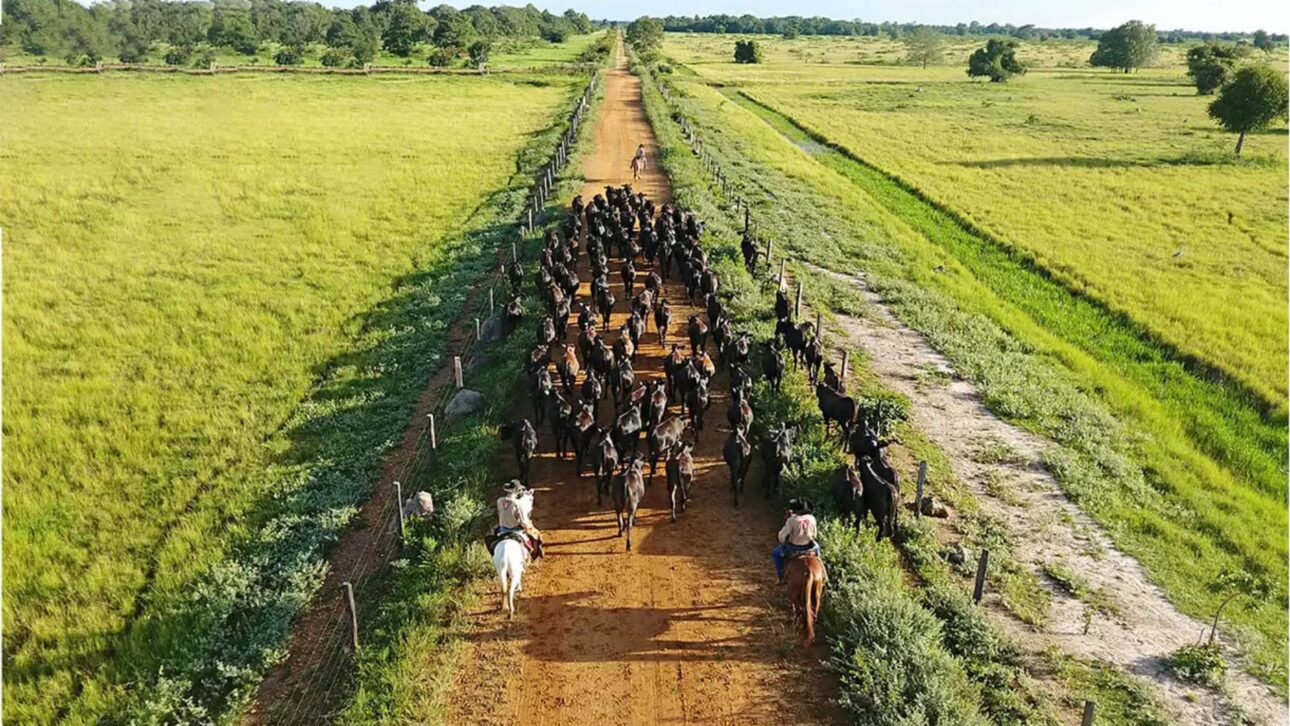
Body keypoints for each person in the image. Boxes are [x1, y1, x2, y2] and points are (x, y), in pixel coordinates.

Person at [772, 498, 820, 584]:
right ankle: (824, 574)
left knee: (775, 553)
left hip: (793, 548)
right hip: (809, 547)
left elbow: (781, 537)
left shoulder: (792, 520)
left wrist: (783, 541)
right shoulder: (812, 518)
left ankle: (781, 577)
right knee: (818, 550)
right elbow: (815, 535)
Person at [496, 480, 541, 549]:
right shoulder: (518, 503)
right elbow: (524, 522)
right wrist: (529, 524)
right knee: (536, 536)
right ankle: (534, 553)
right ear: (518, 491)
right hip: (517, 531)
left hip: (502, 530)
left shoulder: (499, 500)